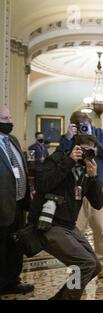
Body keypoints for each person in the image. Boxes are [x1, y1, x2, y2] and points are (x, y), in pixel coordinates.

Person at [29, 134, 103, 299]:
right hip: (49, 223)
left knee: (95, 266)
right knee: (85, 264)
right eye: (85, 151)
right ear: (76, 148)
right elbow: (43, 184)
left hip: (69, 225)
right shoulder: (57, 159)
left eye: (92, 153)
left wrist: (93, 178)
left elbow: (98, 204)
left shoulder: (86, 170)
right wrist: (69, 161)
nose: (89, 156)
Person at [58, 111, 103, 278]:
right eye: (78, 125)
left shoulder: (99, 133)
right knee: (75, 229)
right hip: (75, 189)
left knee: (100, 228)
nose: (82, 127)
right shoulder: (70, 136)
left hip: (96, 185)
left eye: (85, 124)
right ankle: (76, 265)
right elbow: (60, 155)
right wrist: (68, 137)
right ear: (73, 124)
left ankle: (102, 263)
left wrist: (94, 144)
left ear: (90, 123)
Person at [0, 107, 34, 295]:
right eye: (5, 118)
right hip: (2, 206)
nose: (9, 121)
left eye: (10, 116)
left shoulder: (12, 140)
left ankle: (13, 281)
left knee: (15, 246)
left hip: (19, 205)